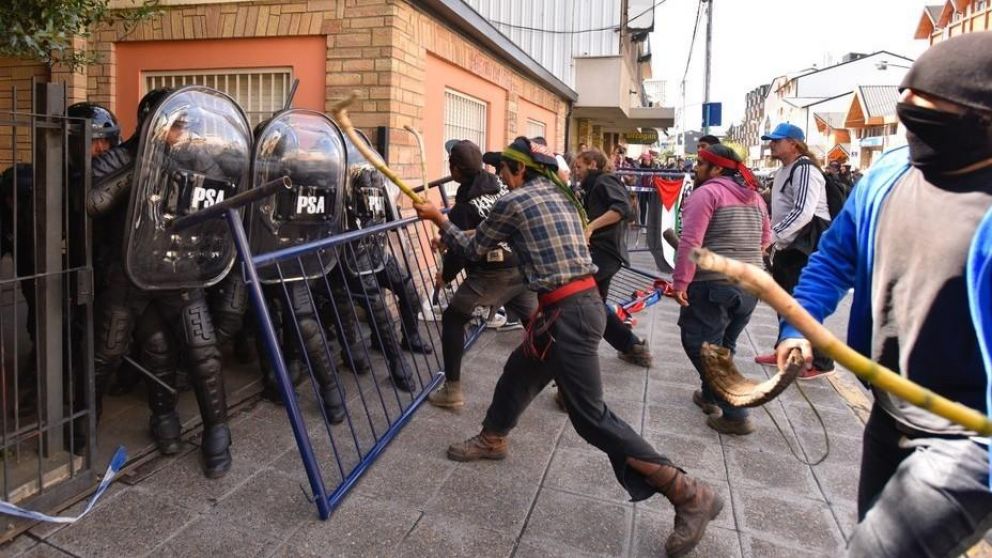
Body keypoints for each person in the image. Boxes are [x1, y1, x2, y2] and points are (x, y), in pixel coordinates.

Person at [413, 137, 723, 558]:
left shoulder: (515, 200)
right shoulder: (560, 196)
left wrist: (437, 218)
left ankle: (688, 492)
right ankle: (493, 437)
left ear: (521, 170)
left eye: (505, 168)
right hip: (572, 307)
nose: (501, 176)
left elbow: (471, 249)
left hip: (569, 316)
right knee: (519, 369)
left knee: (591, 418)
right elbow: (517, 234)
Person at [774, 32, 992, 557]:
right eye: (906, 105)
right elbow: (833, 259)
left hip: (970, 444)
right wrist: (798, 329)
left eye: (930, 112)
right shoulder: (887, 175)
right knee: (868, 527)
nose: (911, 121)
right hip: (888, 411)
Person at [427, 139, 537, 409]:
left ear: (454, 170)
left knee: (453, 318)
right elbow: (481, 228)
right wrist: (447, 237)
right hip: (521, 266)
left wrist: (447, 275)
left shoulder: (463, 207)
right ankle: (565, 383)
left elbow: (461, 250)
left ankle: (452, 390)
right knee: (537, 325)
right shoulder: (498, 184)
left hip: (494, 273)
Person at [671, 145, 771, 435]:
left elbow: (691, 243)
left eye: (701, 163)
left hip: (714, 284)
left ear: (717, 169)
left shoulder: (706, 194)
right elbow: (766, 239)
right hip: (751, 285)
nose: (696, 168)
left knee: (701, 345)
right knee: (722, 345)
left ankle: (735, 413)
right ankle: (710, 394)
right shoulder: (755, 197)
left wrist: (681, 282)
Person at [753, 122, 835, 378]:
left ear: (794, 143)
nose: (772, 144)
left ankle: (821, 362)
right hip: (790, 245)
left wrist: (772, 237)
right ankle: (784, 351)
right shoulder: (785, 170)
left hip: (806, 245)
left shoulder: (805, 170)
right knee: (784, 300)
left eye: (777, 140)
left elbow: (803, 212)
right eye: (771, 140)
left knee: (803, 304)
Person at [573, 148, 652, 366]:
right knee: (595, 305)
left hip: (606, 253)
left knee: (587, 302)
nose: (577, 172)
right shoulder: (593, 185)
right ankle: (633, 347)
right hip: (603, 252)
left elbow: (622, 208)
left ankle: (628, 347)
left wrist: (590, 227)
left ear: (593, 165)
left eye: (579, 167)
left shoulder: (605, 181)